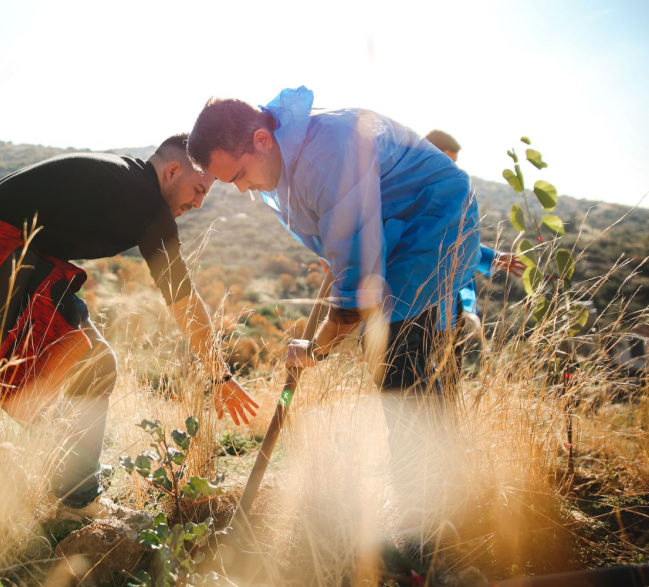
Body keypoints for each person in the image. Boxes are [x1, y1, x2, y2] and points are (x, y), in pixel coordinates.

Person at [188, 87, 480, 549]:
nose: (243, 189)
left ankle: (426, 537)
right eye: (232, 183)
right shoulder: (286, 152)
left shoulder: (327, 152)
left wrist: (314, 350)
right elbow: (339, 232)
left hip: (430, 230)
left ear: (262, 139)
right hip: (395, 232)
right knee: (404, 375)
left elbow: (354, 297)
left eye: (240, 175)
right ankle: (436, 510)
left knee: (405, 377)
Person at [0, 134, 259, 515]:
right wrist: (219, 377)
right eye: (198, 189)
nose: (198, 202)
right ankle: (77, 497)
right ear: (173, 170)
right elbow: (183, 299)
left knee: (92, 366)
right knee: (79, 367)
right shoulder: (144, 199)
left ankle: (74, 474)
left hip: (14, 249)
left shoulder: (127, 181)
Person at [424, 129, 526, 317]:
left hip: (449, 303)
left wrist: (492, 257)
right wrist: (490, 258)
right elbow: (435, 242)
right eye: (449, 161)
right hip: (422, 303)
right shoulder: (416, 191)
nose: (453, 169)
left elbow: (450, 238)